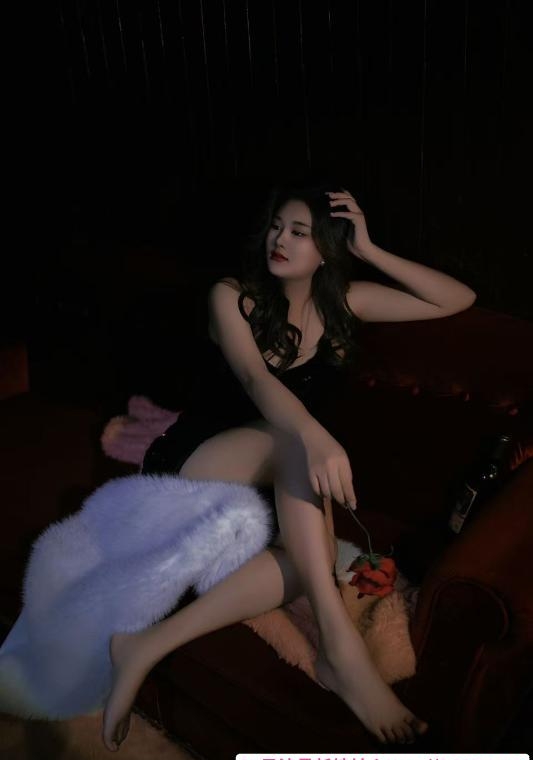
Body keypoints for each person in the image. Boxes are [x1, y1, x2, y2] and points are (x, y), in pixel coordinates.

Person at [101, 181, 477, 751]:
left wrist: (369, 249)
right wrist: (317, 436)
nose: (280, 239)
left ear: (327, 248)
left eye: (300, 233)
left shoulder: (344, 301)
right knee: (293, 443)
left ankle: (143, 646)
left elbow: (456, 299)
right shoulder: (232, 296)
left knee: (310, 563)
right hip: (193, 471)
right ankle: (342, 651)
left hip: (263, 495)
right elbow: (257, 380)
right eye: (277, 227)